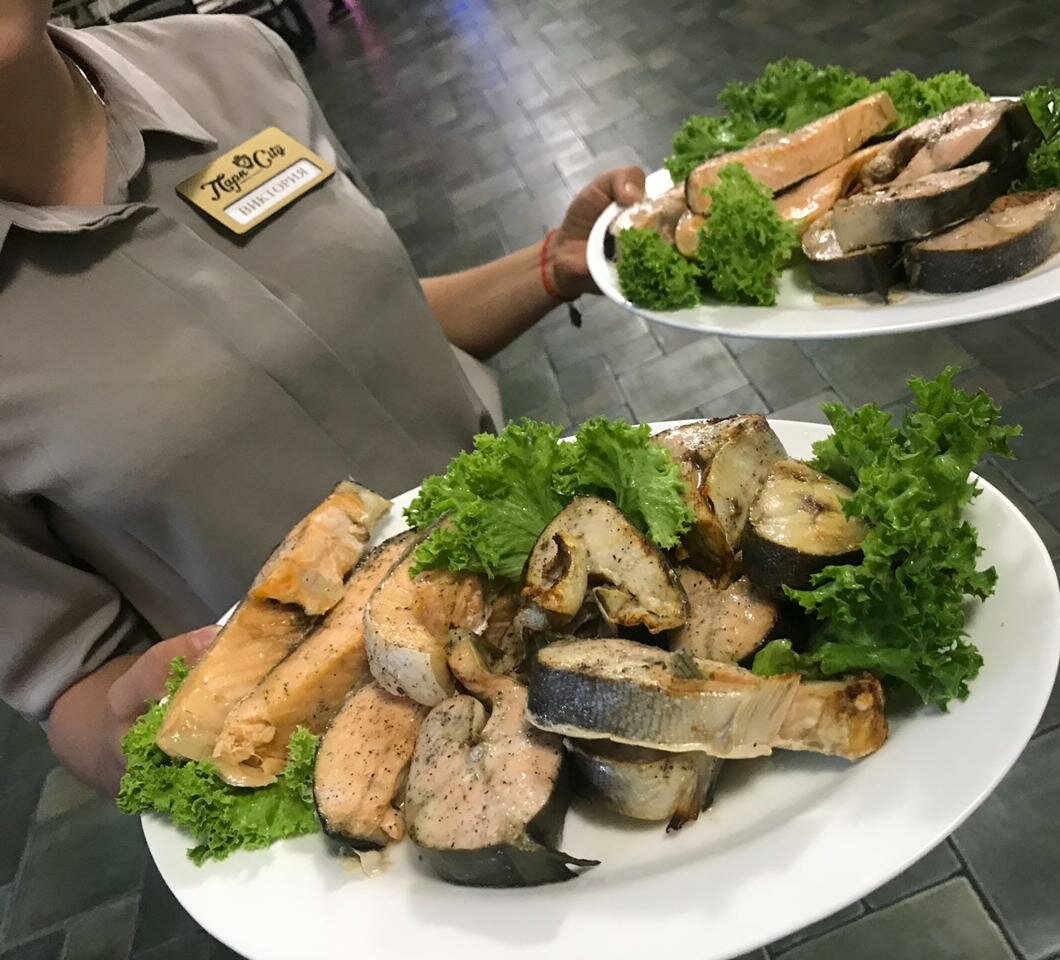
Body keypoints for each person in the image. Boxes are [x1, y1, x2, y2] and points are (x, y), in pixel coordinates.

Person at [0, 7, 645, 793]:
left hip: (564, 584)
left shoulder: (233, 62)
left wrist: (556, 264)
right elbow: (69, 677)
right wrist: (124, 731)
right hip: (374, 763)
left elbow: (372, 332)